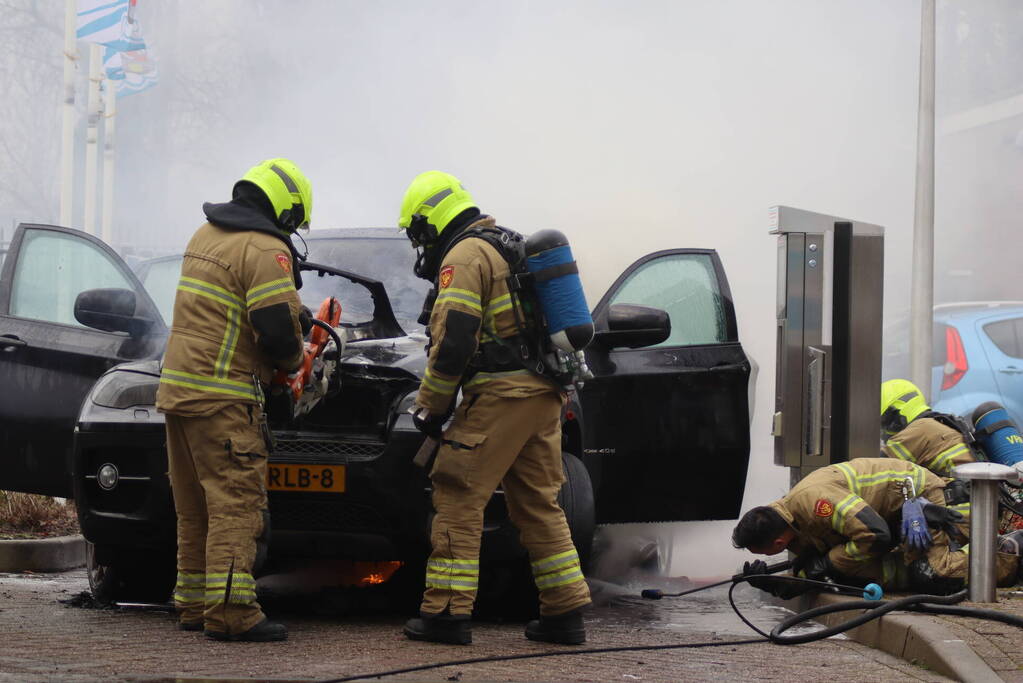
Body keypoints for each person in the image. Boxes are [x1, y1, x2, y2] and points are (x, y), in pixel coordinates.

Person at [397, 170, 591, 645]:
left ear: (429, 222)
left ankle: (444, 615)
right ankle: (565, 615)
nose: (420, 244)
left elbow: (454, 338)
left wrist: (431, 405)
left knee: (458, 496)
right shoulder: (508, 244)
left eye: (417, 232)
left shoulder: (465, 255)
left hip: (501, 397)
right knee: (538, 504)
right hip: (542, 396)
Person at [155, 158, 313, 642]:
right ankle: (231, 613)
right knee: (235, 505)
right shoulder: (265, 248)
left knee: (195, 507)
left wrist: (292, 315)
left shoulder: (204, 236)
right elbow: (273, 329)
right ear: (285, 211)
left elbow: (226, 308)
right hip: (223, 398)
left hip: (179, 392)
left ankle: (194, 603)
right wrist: (294, 358)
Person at [732, 458, 1019, 596]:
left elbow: (877, 536)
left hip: (918, 501)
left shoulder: (815, 502)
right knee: (858, 575)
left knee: (933, 576)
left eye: (767, 553)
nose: (773, 557)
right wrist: (771, 584)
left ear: (777, 544)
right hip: (893, 518)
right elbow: (812, 574)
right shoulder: (789, 521)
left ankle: (1011, 549)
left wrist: (830, 563)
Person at [880, 379, 976, 478]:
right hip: (972, 487)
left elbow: (879, 465)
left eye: (884, 422)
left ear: (895, 416)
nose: (883, 432)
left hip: (962, 489)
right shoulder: (935, 423)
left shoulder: (918, 430)